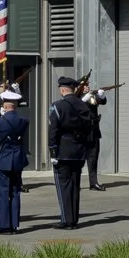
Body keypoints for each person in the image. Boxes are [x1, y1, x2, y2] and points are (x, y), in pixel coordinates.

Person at [47, 75, 93, 229]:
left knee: (63, 186)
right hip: (79, 150)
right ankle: (74, 220)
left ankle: (67, 220)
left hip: (63, 150)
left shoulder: (58, 106)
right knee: (75, 185)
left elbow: (53, 130)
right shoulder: (83, 105)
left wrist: (53, 151)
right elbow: (89, 127)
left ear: (62, 89)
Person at [0, 86, 29, 232]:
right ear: (15, 105)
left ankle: (4, 225)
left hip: (3, 159)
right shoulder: (23, 121)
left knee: (3, 193)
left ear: (4, 105)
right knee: (15, 192)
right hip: (16, 158)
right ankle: (14, 224)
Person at [84, 87, 109, 191]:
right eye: (85, 85)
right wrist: (84, 99)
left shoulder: (91, 96)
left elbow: (101, 102)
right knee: (77, 159)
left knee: (93, 158)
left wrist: (101, 95)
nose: (88, 87)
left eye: (88, 84)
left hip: (94, 131)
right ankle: (74, 182)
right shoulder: (76, 97)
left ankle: (93, 183)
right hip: (82, 132)